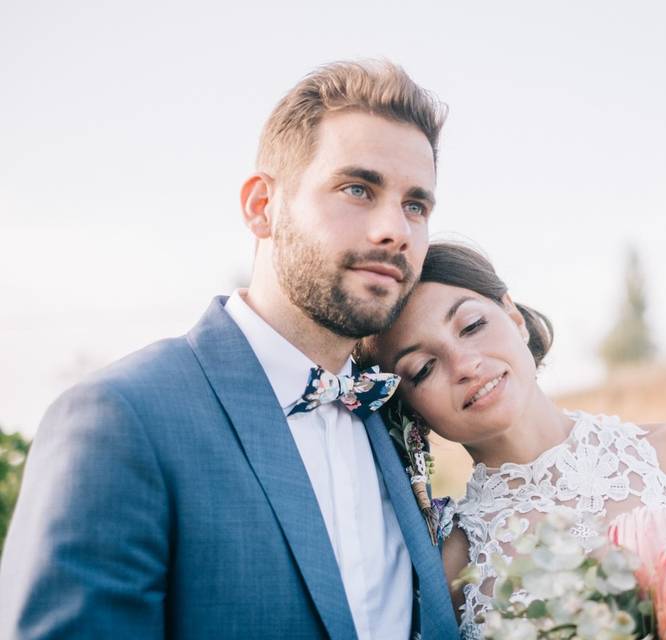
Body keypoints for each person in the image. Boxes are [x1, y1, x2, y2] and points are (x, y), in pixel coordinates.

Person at [0, 60, 459, 640]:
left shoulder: (396, 417)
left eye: (416, 205)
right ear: (261, 207)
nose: (394, 228)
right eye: (357, 189)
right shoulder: (121, 419)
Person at [365, 242, 666, 638]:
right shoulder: (451, 565)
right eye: (422, 368)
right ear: (410, 407)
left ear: (513, 317)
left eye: (472, 326)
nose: (465, 365)